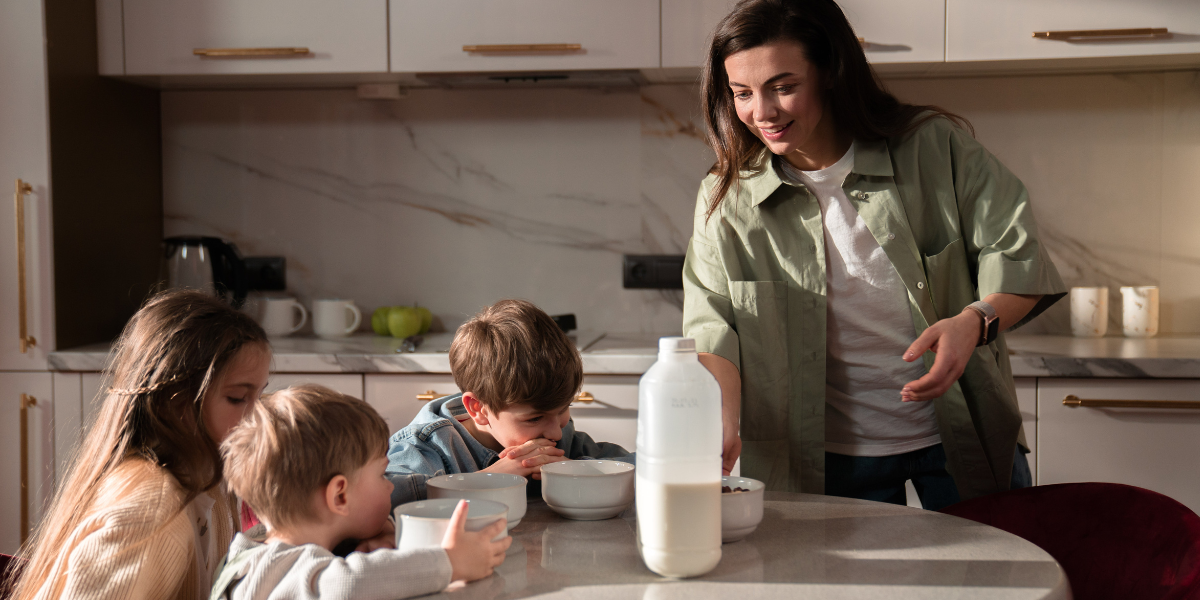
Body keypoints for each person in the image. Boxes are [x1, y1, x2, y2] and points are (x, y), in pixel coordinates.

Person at [682, 0, 1067, 510]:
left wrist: (975, 320)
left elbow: (1017, 256)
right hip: (819, 458)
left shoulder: (933, 147)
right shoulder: (725, 197)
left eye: (784, 86)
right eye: (742, 94)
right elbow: (712, 326)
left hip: (961, 436)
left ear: (831, 72)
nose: (762, 112)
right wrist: (722, 417)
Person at [10, 290, 271, 600]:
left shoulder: (207, 474)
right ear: (176, 403)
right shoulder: (151, 510)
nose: (259, 417)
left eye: (260, 395)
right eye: (238, 398)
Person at [211, 384, 509, 600]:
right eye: (381, 474)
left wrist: (379, 528)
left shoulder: (269, 546)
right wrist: (451, 562)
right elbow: (347, 583)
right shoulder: (275, 572)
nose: (391, 485)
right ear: (340, 496)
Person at [386, 299, 632, 507]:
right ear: (478, 408)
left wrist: (578, 472)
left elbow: (641, 468)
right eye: (534, 418)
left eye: (564, 409)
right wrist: (487, 479)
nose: (557, 430)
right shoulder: (426, 446)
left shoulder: (557, 431)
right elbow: (382, 497)